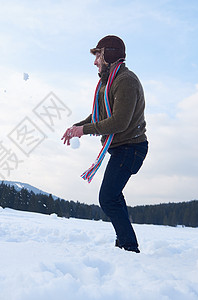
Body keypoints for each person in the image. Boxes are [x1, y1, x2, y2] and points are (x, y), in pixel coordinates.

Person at [62, 35, 148, 253]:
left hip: (132, 147)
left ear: (109, 55)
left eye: (98, 55)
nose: (95, 62)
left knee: (108, 198)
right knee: (113, 196)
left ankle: (129, 247)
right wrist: (77, 127)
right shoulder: (108, 82)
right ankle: (124, 243)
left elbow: (119, 121)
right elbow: (99, 115)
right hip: (122, 148)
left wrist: (85, 130)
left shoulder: (125, 81)